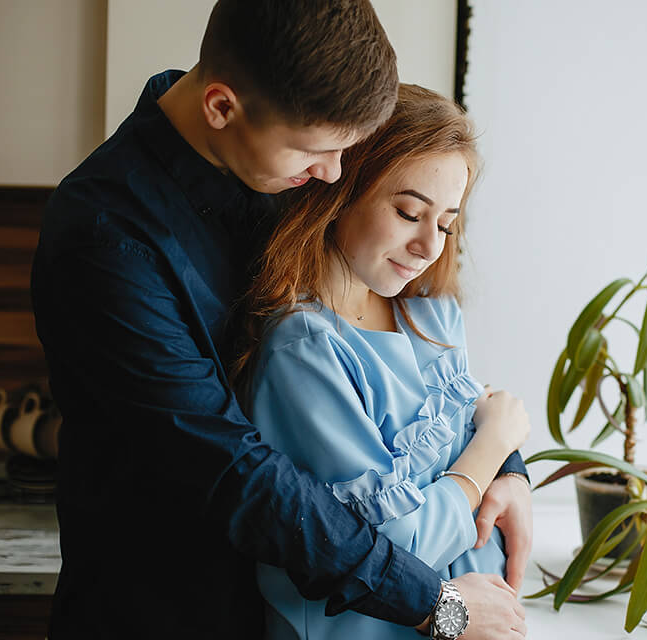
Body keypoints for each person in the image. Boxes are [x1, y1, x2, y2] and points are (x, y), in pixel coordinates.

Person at [30, 1, 531, 638]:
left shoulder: (263, 153)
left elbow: (440, 389)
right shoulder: (106, 242)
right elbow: (236, 475)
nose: (333, 177)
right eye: (316, 153)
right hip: (164, 610)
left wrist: (506, 464)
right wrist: (440, 605)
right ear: (220, 106)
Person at [231, 83, 532, 640]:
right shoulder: (306, 349)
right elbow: (390, 557)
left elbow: (476, 419)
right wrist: (495, 447)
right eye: (408, 212)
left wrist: (511, 471)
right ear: (341, 190)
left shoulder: (432, 314)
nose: (429, 246)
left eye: (445, 223)